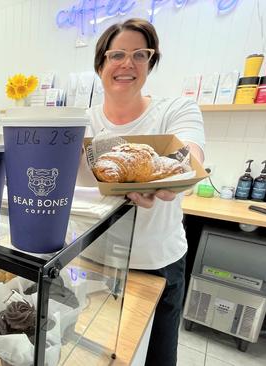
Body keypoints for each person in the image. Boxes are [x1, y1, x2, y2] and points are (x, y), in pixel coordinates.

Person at [86, 18, 205, 366]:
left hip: (157, 266)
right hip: (95, 262)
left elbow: (190, 153)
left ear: (150, 63)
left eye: (140, 54)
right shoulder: (84, 121)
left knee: (157, 359)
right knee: (94, 353)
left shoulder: (175, 110)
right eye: (117, 54)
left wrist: (169, 180)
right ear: (100, 64)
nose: (127, 63)